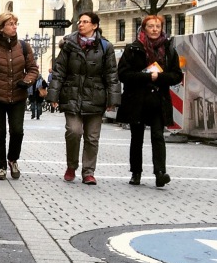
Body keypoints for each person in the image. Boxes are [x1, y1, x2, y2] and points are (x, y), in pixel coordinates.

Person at [49, 11, 117, 185]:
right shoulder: (69, 45)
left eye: (85, 22)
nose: (81, 24)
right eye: (80, 22)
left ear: (94, 25)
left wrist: (112, 99)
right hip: (72, 95)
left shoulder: (105, 47)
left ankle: (88, 172)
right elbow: (59, 71)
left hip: (96, 96)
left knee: (92, 137)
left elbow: (111, 74)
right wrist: (53, 95)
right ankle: (71, 166)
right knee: (74, 131)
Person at [117, 13, 182, 187]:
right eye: (151, 26)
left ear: (162, 29)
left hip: (158, 100)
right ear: (144, 29)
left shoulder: (169, 50)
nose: (154, 29)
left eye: (158, 26)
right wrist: (147, 77)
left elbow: (177, 75)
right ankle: (136, 172)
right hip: (137, 99)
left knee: (157, 136)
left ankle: (160, 172)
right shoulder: (133, 48)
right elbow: (123, 74)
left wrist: (159, 78)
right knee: (136, 137)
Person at [0, 11, 38, 180]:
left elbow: (33, 69)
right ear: (1, 28)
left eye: (15, 23)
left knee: (17, 131)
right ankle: (0, 167)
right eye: (10, 24)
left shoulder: (24, 47)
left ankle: (12, 159)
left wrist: (27, 80)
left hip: (18, 96)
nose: (14, 27)